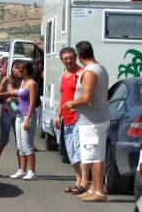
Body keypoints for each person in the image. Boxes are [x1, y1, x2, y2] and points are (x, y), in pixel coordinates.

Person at [63, 41, 110, 202]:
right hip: (94, 119)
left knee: (95, 157)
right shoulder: (99, 68)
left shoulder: (90, 72)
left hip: (92, 121)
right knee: (92, 156)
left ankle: (99, 192)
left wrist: (71, 103)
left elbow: (86, 98)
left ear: (79, 56)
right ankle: (93, 188)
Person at [55, 47, 87, 194]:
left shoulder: (81, 74)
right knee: (71, 152)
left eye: (71, 57)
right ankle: (77, 180)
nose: (68, 61)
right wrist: (58, 115)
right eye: (65, 58)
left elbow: (86, 96)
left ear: (76, 57)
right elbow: (62, 97)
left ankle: (83, 183)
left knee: (79, 151)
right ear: (62, 60)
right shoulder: (63, 76)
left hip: (79, 118)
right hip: (66, 119)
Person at [0, 60, 22, 177]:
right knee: (4, 140)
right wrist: (11, 94)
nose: (17, 70)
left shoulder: (24, 80)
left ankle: (21, 168)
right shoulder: (7, 79)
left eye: (19, 67)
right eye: (15, 67)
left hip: (20, 113)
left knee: (20, 142)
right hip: (7, 112)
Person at [10, 60, 38, 180]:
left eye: (20, 69)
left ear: (25, 70)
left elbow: (32, 102)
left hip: (28, 116)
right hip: (19, 115)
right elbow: (21, 97)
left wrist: (27, 119)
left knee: (27, 144)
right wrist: (12, 97)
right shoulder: (23, 82)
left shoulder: (31, 83)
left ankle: (32, 171)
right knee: (20, 145)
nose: (18, 72)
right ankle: (22, 169)